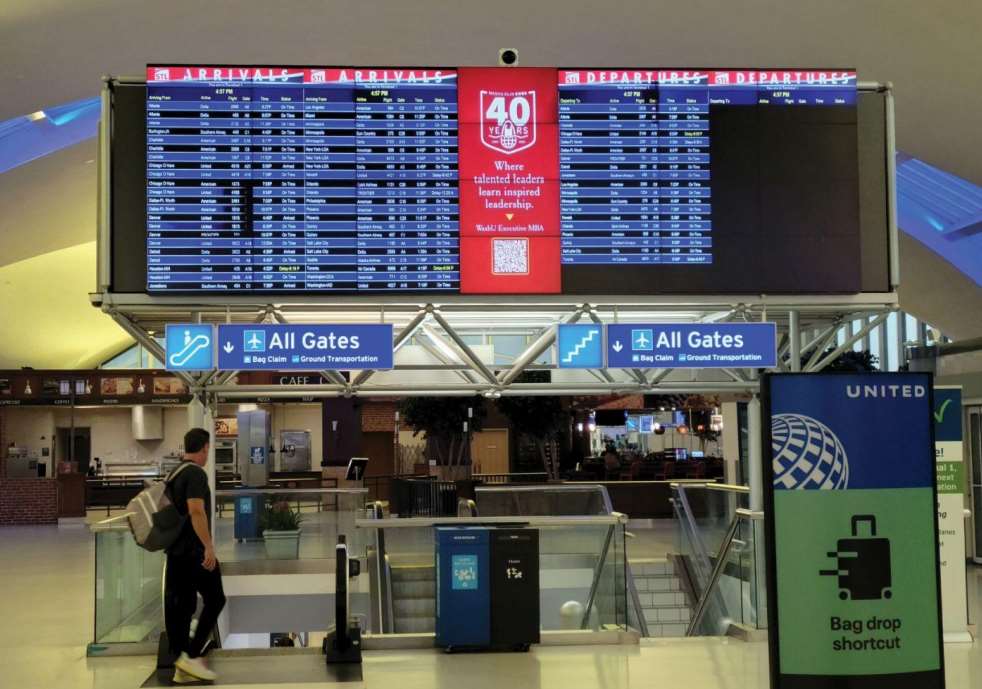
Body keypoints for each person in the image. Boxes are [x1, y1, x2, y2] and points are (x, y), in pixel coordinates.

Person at [165, 427, 225, 683]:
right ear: (203, 448)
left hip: (175, 552)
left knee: (183, 607)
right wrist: (208, 547)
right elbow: (196, 511)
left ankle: (182, 665)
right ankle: (192, 656)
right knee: (216, 598)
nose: (208, 454)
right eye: (208, 449)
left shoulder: (174, 473)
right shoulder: (195, 474)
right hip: (194, 553)